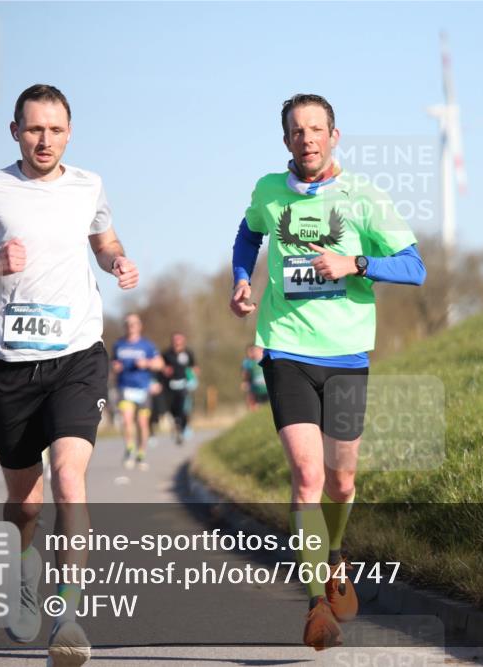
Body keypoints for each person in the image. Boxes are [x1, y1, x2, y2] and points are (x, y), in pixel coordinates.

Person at [0, 83, 138, 667]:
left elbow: (104, 238)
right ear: (15, 131)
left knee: (69, 479)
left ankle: (67, 617)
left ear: (70, 133)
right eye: (35, 129)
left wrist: (116, 260)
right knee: (24, 503)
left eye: (56, 129)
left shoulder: (88, 185)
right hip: (6, 367)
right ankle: (23, 572)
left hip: (77, 355)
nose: (45, 140)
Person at [229, 94, 426, 650]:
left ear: (334, 136)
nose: (307, 139)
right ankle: (317, 602)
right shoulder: (269, 191)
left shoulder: (364, 197)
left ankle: (335, 555)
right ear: (286, 139)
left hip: (346, 356)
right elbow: (248, 234)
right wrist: (241, 279)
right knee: (307, 474)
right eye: (297, 131)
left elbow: (414, 267)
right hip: (285, 349)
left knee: (342, 480)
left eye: (317, 129)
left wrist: (355, 263)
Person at [112, 313, 163, 470]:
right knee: (127, 420)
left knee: (142, 423)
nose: (131, 326)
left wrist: (146, 363)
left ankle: (141, 453)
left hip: (143, 389)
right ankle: (129, 449)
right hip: (125, 387)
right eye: (128, 323)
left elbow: (160, 364)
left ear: (140, 326)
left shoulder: (147, 345)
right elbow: (113, 363)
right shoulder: (118, 344)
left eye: (134, 323)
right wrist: (115, 367)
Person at [160, 332, 199, 444]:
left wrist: (194, 376)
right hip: (170, 386)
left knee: (184, 408)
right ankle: (177, 425)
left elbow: (194, 367)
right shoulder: (166, 354)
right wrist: (164, 370)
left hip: (184, 385)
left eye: (179, 340)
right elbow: (160, 367)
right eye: (175, 340)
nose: (177, 342)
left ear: (183, 341)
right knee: (172, 409)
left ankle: (184, 427)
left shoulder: (188, 353)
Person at [240, 345, 269, 410]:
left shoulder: (266, 359)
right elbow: (245, 374)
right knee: (256, 406)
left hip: (267, 389)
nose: (254, 353)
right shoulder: (248, 363)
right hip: (256, 390)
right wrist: (245, 381)